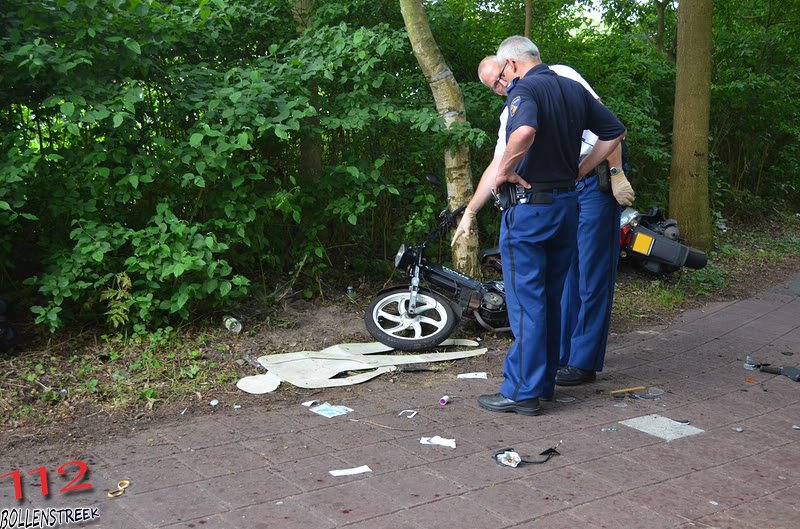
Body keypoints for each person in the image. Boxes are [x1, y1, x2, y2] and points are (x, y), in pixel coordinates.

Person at [454, 55, 634, 390]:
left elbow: (611, 131)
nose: (501, 86)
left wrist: (614, 171)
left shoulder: (561, 77)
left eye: (500, 77)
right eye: (493, 86)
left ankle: (580, 362)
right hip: (560, 189)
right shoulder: (514, 104)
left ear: (511, 64)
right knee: (560, 282)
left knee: (589, 274)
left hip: (591, 181)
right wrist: (471, 211)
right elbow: (499, 163)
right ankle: (554, 364)